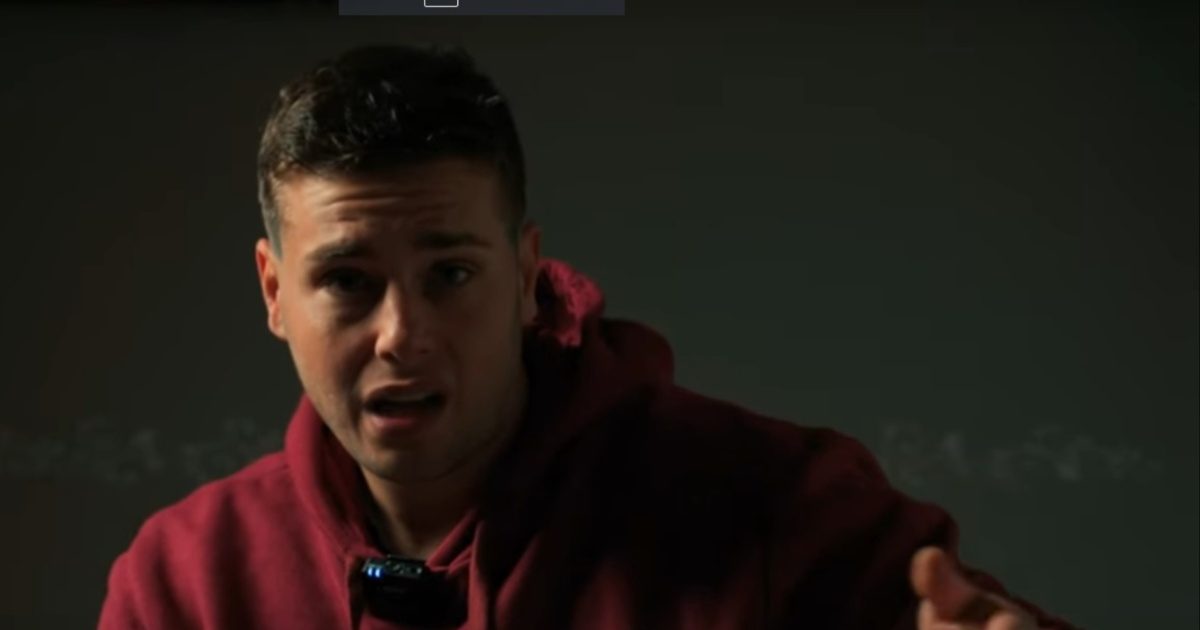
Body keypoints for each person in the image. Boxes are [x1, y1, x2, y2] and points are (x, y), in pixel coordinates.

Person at [98, 44, 1078, 630]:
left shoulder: (771, 507)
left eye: (452, 275)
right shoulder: (184, 582)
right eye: (348, 282)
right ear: (275, 293)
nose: (402, 335)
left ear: (527, 276)